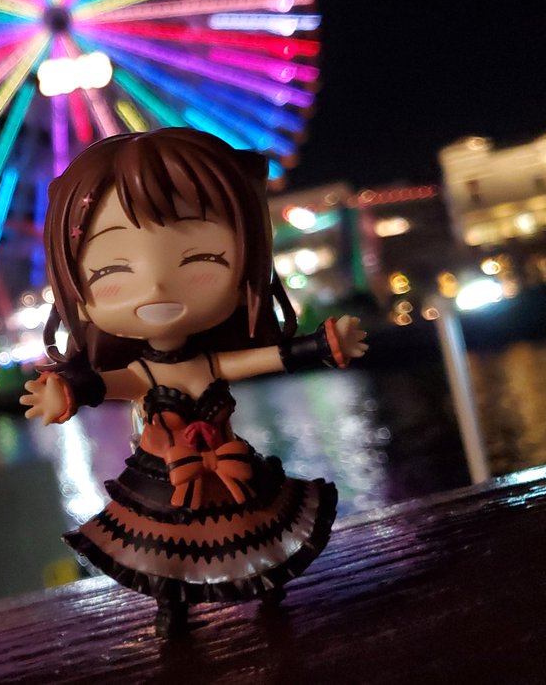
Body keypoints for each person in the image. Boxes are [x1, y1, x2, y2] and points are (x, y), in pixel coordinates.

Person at [20, 128, 367, 637]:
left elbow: (267, 358)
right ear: (76, 294)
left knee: (251, 529)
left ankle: (261, 584)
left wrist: (319, 346)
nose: (157, 284)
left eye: (201, 259)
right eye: (113, 269)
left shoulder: (191, 365)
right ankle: (176, 602)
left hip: (222, 466)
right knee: (166, 543)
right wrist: (65, 393)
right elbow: (100, 386)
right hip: (168, 474)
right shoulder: (148, 372)